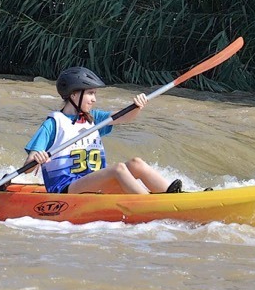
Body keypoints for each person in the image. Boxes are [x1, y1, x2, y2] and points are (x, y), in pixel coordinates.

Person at [24, 67, 182, 195]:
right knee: (118, 169)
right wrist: (37, 158)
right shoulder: (53, 124)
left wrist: (137, 106)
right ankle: (151, 206)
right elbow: (28, 167)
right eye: (90, 93)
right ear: (73, 94)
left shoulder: (93, 118)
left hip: (94, 184)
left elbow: (124, 117)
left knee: (136, 163)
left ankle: (172, 196)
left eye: (94, 94)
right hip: (67, 190)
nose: (94, 99)